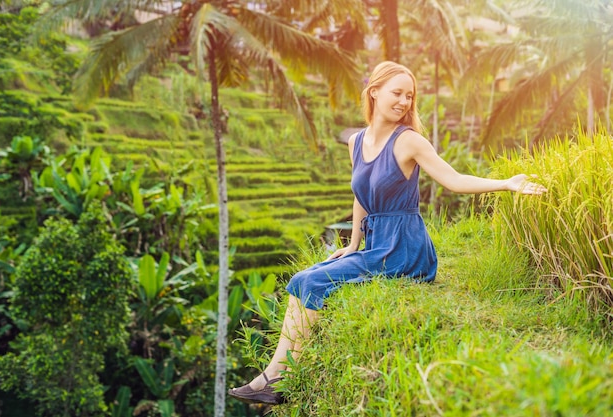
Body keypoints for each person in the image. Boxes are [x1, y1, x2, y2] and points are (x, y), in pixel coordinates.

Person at [228, 61, 546, 405]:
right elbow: (359, 194)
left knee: (310, 283)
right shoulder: (356, 141)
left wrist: (507, 184)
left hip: (404, 247)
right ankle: (275, 375)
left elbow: (454, 180)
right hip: (376, 243)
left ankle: (275, 379)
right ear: (374, 92)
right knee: (303, 278)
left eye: (409, 96)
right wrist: (352, 244)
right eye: (397, 93)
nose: (404, 102)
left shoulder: (409, 141)